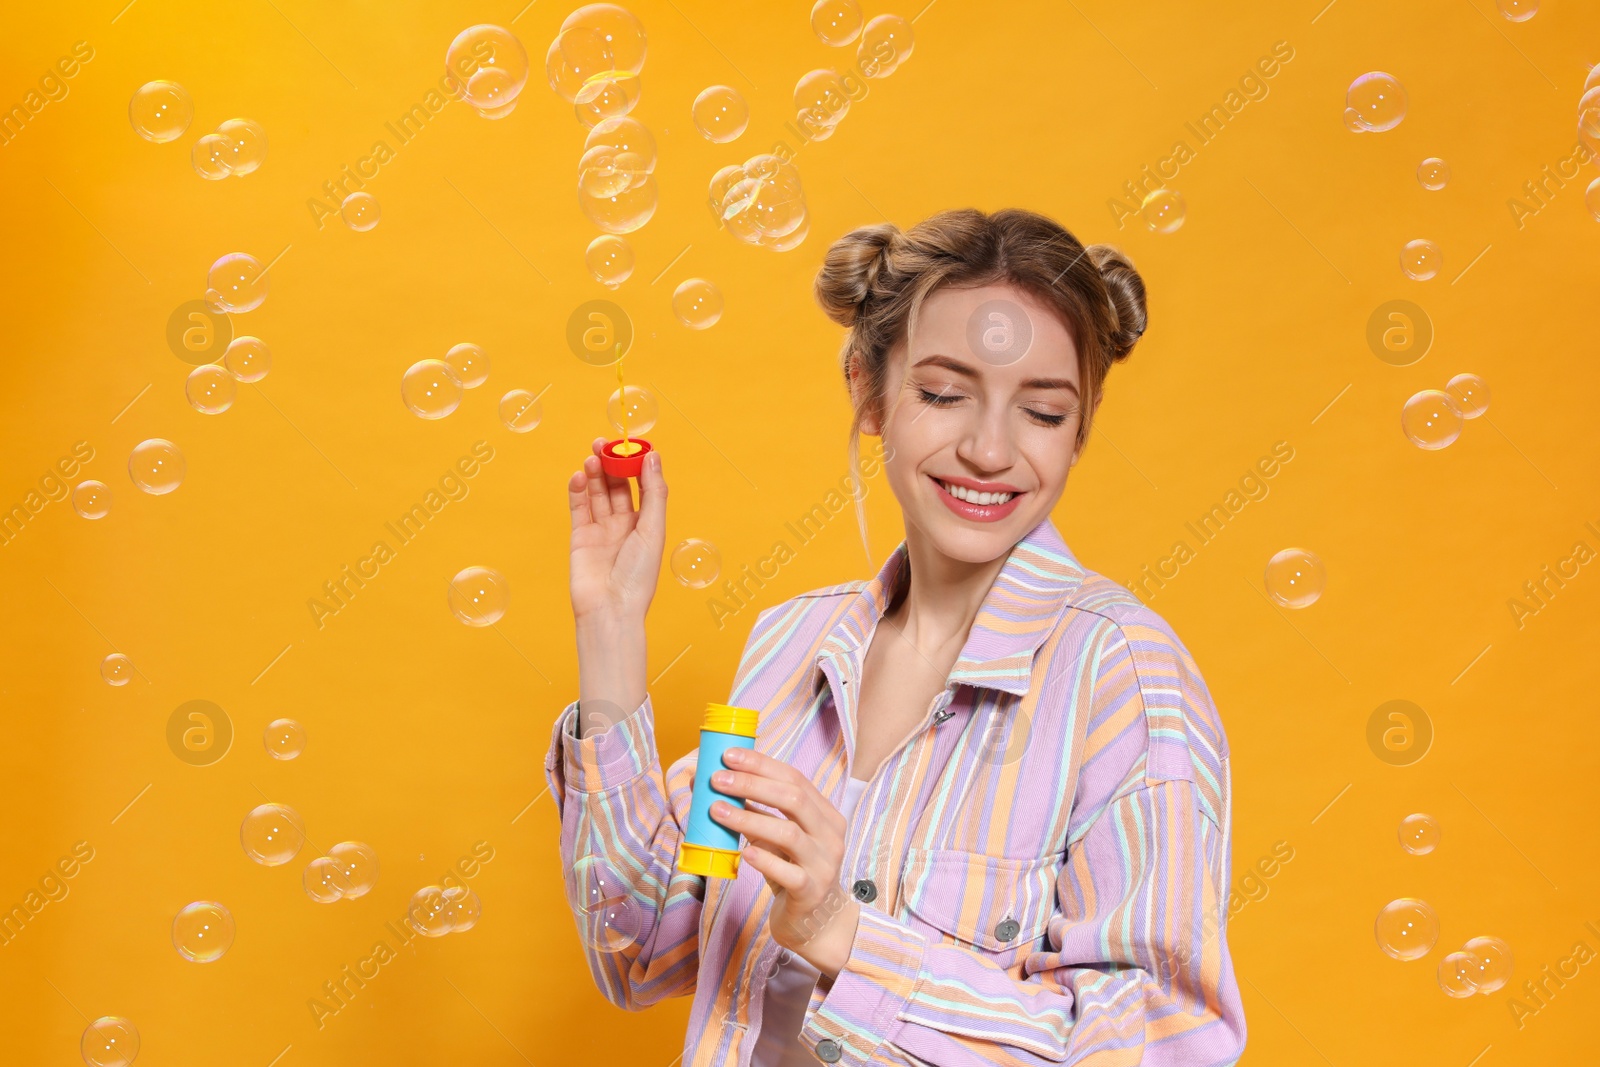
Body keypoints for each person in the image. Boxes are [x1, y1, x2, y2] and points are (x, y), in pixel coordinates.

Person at [546, 208, 1246, 1066]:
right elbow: (642, 951)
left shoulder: (1123, 676)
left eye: (1043, 412)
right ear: (868, 390)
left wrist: (842, 929)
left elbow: (1162, 1042)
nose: (990, 449)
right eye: (944, 394)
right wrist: (611, 631)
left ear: (1083, 426)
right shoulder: (790, 642)